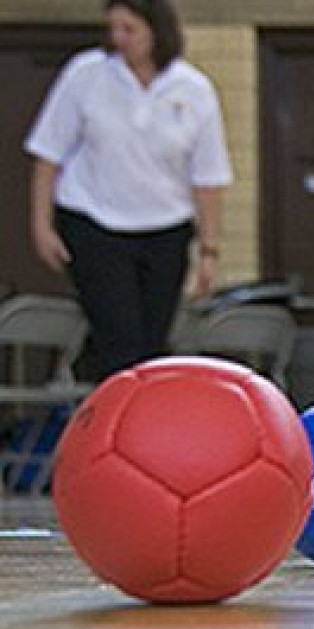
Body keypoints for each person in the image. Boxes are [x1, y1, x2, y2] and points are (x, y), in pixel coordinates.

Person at [25, 0, 230, 380]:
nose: (119, 38)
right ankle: (111, 421)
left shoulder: (194, 89)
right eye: (113, 29)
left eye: (129, 29)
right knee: (121, 336)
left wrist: (209, 250)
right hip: (94, 221)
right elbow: (48, 155)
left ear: (157, 31)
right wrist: (42, 224)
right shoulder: (86, 75)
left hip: (165, 226)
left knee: (153, 341)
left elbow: (208, 178)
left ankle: (141, 423)